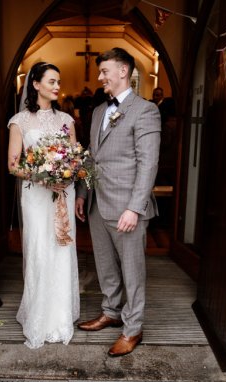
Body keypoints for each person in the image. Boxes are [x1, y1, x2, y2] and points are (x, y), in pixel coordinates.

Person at [75, 48, 161, 357]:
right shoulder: (98, 110)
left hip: (128, 208)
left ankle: (132, 329)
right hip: (99, 203)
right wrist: (83, 195)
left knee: (133, 271)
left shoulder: (146, 110)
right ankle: (110, 311)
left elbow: (148, 163)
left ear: (123, 71)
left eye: (105, 72)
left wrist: (134, 208)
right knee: (105, 265)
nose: (100, 78)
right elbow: (90, 156)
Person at [7, 62, 80, 349]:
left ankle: (60, 315)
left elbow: (74, 158)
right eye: (51, 81)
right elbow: (13, 165)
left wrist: (65, 173)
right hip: (37, 196)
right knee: (39, 248)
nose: (57, 86)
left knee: (62, 249)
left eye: (58, 81)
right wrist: (42, 176)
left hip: (63, 193)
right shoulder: (20, 121)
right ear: (35, 84)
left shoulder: (66, 120)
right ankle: (39, 315)